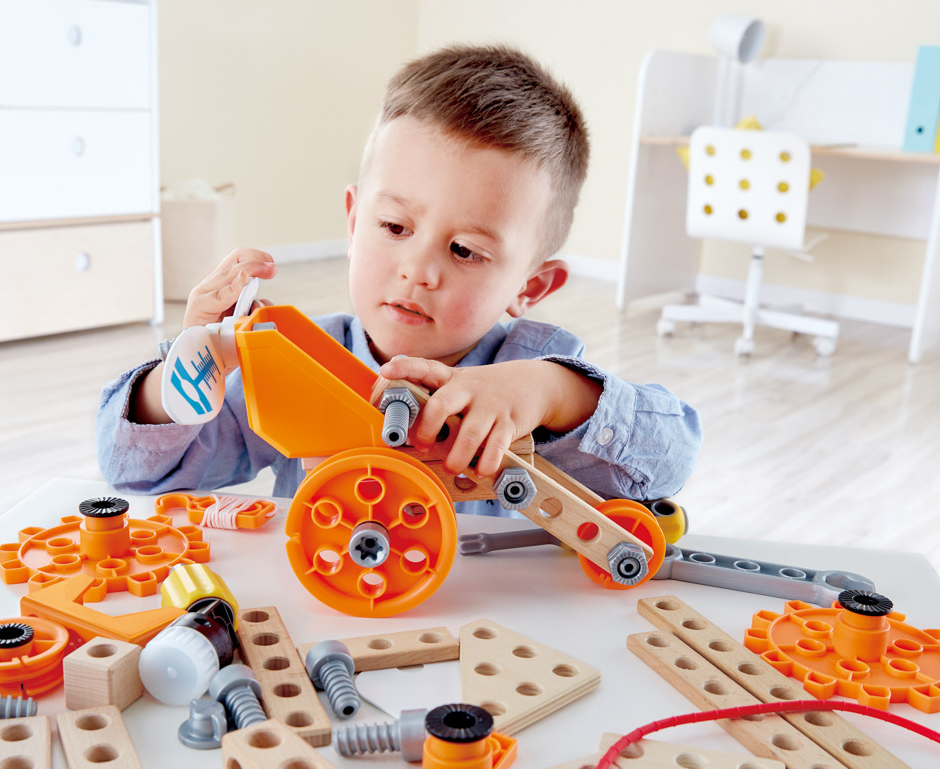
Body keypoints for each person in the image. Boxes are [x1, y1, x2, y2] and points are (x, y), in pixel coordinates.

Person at [97, 43, 701, 516]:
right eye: (393, 226)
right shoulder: (291, 364)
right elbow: (137, 474)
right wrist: (185, 369)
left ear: (531, 287)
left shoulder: (531, 371)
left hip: (482, 622)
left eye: (465, 251)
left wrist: (554, 393)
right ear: (354, 221)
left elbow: (668, 461)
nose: (418, 269)